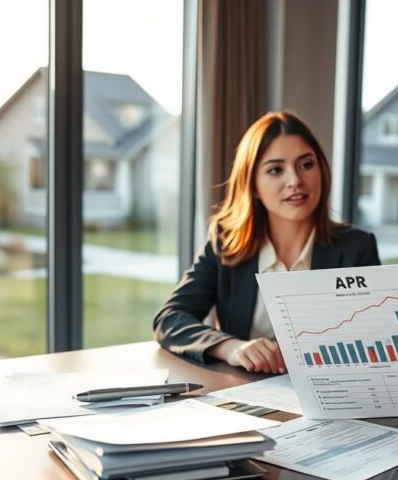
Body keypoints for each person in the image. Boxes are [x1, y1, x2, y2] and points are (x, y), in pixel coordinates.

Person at [154, 111, 380, 373]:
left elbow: (375, 335)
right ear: (253, 186)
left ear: (322, 171)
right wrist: (232, 347)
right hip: (245, 393)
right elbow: (169, 319)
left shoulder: (357, 248)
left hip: (332, 394)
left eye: (306, 165)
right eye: (275, 170)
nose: (295, 181)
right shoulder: (226, 243)